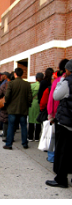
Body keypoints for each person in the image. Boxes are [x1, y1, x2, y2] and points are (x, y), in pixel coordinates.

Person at [45, 59, 72, 188]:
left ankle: (61, 179)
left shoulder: (67, 82)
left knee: (62, 151)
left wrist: (61, 80)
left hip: (66, 122)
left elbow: (56, 96)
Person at [3, 68, 32, 150]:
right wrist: (28, 104)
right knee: (23, 126)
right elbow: (30, 97)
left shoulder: (11, 84)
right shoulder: (27, 84)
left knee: (11, 126)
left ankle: (9, 144)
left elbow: (7, 96)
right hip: (23, 109)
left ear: (15, 74)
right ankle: (25, 143)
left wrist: (6, 103)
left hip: (12, 108)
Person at [46, 59, 69, 163]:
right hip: (67, 115)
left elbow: (53, 98)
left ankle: (53, 158)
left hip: (59, 114)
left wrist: (50, 113)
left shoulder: (59, 81)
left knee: (57, 139)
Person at [28, 72, 44, 142]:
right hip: (39, 104)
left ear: (36, 78)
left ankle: (30, 137)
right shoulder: (43, 86)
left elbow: (28, 95)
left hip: (32, 104)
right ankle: (37, 137)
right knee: (38, 121)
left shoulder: (32, 85)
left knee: (31, 120)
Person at [0, 72, 12, 141]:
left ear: (6, 76)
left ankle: (5, 135)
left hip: (5, 104)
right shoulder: (14, 84)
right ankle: (11, 136)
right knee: (12, 120)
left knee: (5, 120)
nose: (1, 76)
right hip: (13, 104)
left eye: (2, 75)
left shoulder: (4, 84)